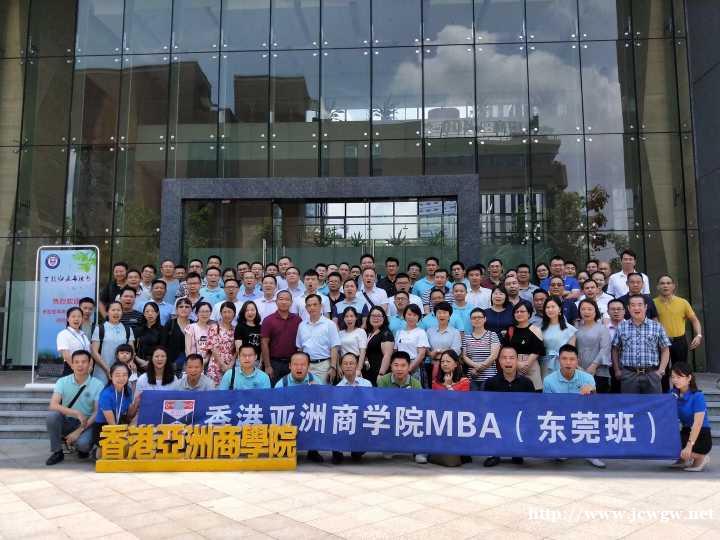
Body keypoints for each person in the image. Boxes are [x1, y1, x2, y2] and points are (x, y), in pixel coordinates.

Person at [543, 344, 605, 468]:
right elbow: (547, 407)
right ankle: (561, 447)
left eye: (572, 359)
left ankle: (591, 452)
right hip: (560, 415)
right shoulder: (548, 380)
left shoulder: (588, 378)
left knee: (596, 418)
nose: (568, 362)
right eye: (564, 359)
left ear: (577, 361)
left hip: (581, 416)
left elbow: (596, 405)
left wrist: (592, 392)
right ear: (558, 360)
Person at [45, 350, 104, 465]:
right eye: (76, 362)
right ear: (72, 365)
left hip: (87, 423)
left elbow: (97, 412)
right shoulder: (62, 381)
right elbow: (53, 405)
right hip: (67, 421)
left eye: (83, 362)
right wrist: (76, 412)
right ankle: (57, 452)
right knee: (52, 416)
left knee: (83, 445)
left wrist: (79, 430)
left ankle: (81, 447)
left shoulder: (98, 384)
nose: (80, 365)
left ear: (90, 364)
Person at [482, 345, 535, 467]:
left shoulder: (527, 383)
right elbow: (486, 406)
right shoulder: (491, 383)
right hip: (497, 421)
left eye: (511, 358)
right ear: (499, 361)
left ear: (517, 360)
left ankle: (516, 451)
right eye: (504, 358)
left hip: (519, 421)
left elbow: (532, 407)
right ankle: (494, 454)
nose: (508, 361)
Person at [612, 294, 671, 394]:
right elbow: (615, 349)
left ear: (645, 307)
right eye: (633, 305)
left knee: (653, 403)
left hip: (652, 374)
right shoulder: (622, 327)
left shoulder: (657, 326)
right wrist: (617, 370)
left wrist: (661, 370)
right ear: (628, 308)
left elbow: (665, 349)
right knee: (629, 403)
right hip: (629, 374)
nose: (636, 308)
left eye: (640, 305)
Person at [274, 352, 324, 463]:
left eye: (303, 365)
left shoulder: (317, 381)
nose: (299, 368)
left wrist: (317, 391)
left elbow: (324, 404)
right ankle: (286, 446)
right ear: (290, 366)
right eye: (295, 364)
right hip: (289, 419)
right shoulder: (281, 384)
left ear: (308, 366)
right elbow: (276, 409)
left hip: (308, 418)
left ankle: (313, 450)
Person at [654, 275, 702, 385]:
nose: (665, 286)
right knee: (662, 371)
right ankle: (665, 393)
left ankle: (680, 393)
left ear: (673, 286)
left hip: (679, 341)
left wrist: (698, 335)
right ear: (657, 287)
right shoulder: (652, 303)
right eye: (662, 283)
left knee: (681, 371)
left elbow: (694, 320)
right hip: (660, 342)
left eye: (668, 283)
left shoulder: (682, 302)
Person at [378, 351, 425, 462]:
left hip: (409, 415)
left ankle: (419, 451)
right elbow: (380, 402)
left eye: (403, 365)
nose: (399, 369)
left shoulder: (415, 383)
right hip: (391, 415)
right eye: (396, 365)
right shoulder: (383, 381)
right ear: (391, 366)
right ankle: (388, 446)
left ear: (409, 367)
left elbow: (420, 404)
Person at [670, 362, 712, 471]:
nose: (675, 380)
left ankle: (701, 457)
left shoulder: (697, 396)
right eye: (673, 377)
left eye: (679, 377)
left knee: (676, 445)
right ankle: (683, 459)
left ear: (689, 378)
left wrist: (689, 446)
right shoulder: (673, 394)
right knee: (665, 442)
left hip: (700, 435)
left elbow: (698, 424)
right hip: (685, 431)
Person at [94, 363, 140, 451]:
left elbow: (129, 416)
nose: (121, 378)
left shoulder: (128, 391)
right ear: (110, 376)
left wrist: (136, 404)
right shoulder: (106, 395)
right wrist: (125, 437)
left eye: (125, 375)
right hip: (105, 427)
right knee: (124, 448)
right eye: (117, 375)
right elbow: (112, 425)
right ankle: (100, 450)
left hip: (120, 423)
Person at [295, 294, 341, 384]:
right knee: (305, 391)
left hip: (323, 366)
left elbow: (334, 347)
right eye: (309, 305)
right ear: (306, 308)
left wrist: (333, 367)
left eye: (315, 304)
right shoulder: (302, 325)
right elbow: (300, 348)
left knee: (323, 392)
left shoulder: (330, 324)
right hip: (306, 366)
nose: (312, 307)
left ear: (321, 306)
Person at [261, 290, 301, 383]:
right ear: (276, 301)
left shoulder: (297, 320)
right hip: (274, 363)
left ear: (291, 302)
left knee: (292, 388)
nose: (284, 302)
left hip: (293, 363)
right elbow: (264, 343)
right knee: (274, 389)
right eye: (281, 299)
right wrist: (267, 366)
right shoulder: (268, 320)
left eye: (287, 299)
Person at [504, 303, 545, 390]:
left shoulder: (536, 329)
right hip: (513, 365)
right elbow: (505, 348)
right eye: (517, 312)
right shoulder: (511, 329)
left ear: (529, 314)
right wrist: (517, 364)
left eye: (522, 311)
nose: (519, 314)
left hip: (532, 365)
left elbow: (538, 349)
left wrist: (526, 364)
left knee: (534, 392)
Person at [91, 301, 132, 385]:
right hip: (102, 371)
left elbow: (131, 350)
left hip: (122, 372)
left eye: (118, 310)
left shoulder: (127, 329)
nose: (116, 312)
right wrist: (107, 369)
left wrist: (130, 363)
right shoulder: (100, 329)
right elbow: (94, 352)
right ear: (107, 312)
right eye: (113, 310)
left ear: (122, 312)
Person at [575, 299, 612, 393]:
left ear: (595, 311)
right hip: (579, 371)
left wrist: (594, 366)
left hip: (599, 372)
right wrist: (577, 366)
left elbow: (605, 349)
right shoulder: (576, 329)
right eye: (583, 309)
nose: (586, 312)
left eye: (589, 309)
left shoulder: (602, 329)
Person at [462, 308, 501, 391]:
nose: (477, 319)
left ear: (485, 319)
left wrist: (477, 368)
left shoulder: (492, 335)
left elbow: (494, 356)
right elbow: (464, 357)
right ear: (470, 320)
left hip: (489, 378)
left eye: (479, 317)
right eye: (474, 318)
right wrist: (476, 366)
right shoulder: (466, 337)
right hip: (472, 377)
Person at [426, 302, 462, 387]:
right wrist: (431, 354)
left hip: (450, 367)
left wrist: (438, 352)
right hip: (432, 365)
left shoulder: (455, 332)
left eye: (445, 313)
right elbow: (426, 349)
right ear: (435, 315)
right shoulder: (429, 331)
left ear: (449, 315)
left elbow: (456, 351)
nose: (442, 315)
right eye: (439, 312)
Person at [540, 297, 577, 378]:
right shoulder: (541, 328)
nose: (550, 310)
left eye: (553, 307)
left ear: (559, 309)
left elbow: (571, 352)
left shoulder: (570, 329)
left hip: (563, 365)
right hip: (545, 364)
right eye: (547, 307)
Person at [395, 304, 429, 383]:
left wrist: (408, 369)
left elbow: (421, 354)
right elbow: (395, 351)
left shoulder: (421, 332)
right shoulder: (399, 332)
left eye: (415, 315)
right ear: (404, 316)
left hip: (414, 366)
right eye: (409, 314)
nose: (411, 317)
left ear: (418, 317)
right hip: (399, 366)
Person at [206, 301, 237, 385]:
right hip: (216, 364)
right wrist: (222, 365)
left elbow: (237, 350)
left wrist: (231, 364)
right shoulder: (214, 327)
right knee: (214, 389)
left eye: (229, 312)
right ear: (220, 313)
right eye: (224, 312)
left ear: (234, 314)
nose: (227, 314)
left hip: (231, 364)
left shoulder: (236, 329)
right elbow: (213, 348)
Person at [57, 307, 93, 377]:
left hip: (86, 370)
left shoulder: (83, 335)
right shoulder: (63, 334)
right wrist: (77, 368)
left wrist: (90, 367)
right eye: (73, 316)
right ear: (68, 319)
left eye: (79, 316)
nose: (76, 319)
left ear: (82, 319)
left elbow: (89, 354)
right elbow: (66, 355)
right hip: (71, 369)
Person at [364, 306, 395, 385]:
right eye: (373, 316)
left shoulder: (386, 333)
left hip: (379, 372)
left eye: (379, 316)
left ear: (384, 318)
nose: (376, 318)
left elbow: (387, 355)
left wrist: (381, 374)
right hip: (368, 371)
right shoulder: (368, 332)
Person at [163, 297, 192, 377]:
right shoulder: (170, 324)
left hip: (190, 364)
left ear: (191, 310)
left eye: (187, 307)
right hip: (172, 364)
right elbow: (163, 344)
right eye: (181, 307)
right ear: (176, 310)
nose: (184, 309)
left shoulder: (194, 325)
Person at [134, 302, 166, 371]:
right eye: (147, 311)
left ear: (157, 313)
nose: (150, 314)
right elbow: (133, 348)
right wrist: (139, 360)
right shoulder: (138, 329)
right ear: (144, 314)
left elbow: (162, 348)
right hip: (138, 363)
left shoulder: (162, 330)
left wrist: (150, 362)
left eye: (153, 311)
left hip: (156, 363)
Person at [338, 307, 368, 374]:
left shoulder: (361, 331)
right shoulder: (340, 333)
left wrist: (359, 369)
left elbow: (363, 352)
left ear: (356, 318)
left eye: (352, 316)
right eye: (346, 316)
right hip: (344, 365)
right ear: (344, 318)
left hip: (355, 364)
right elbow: (338, 352)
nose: (349, 319)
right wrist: (339, 367)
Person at [185, 301, 213, 372]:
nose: (204, 314)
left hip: (206, 364)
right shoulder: (190, 327)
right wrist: (192, 362)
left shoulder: (212, 329)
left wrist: (205, 360)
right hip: (192, 363)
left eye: (207, 311)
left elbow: (211, 350)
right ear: (197, 313)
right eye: (202, 311)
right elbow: (187, 348)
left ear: (210, 313)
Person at [606, 298, 626, 393]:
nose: (616, 311)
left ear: (624, 311)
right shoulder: (603, 329)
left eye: (619, 309)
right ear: (608, 312)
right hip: (608, 368)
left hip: (627, 368)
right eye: (613, 309)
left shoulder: (632, 327)